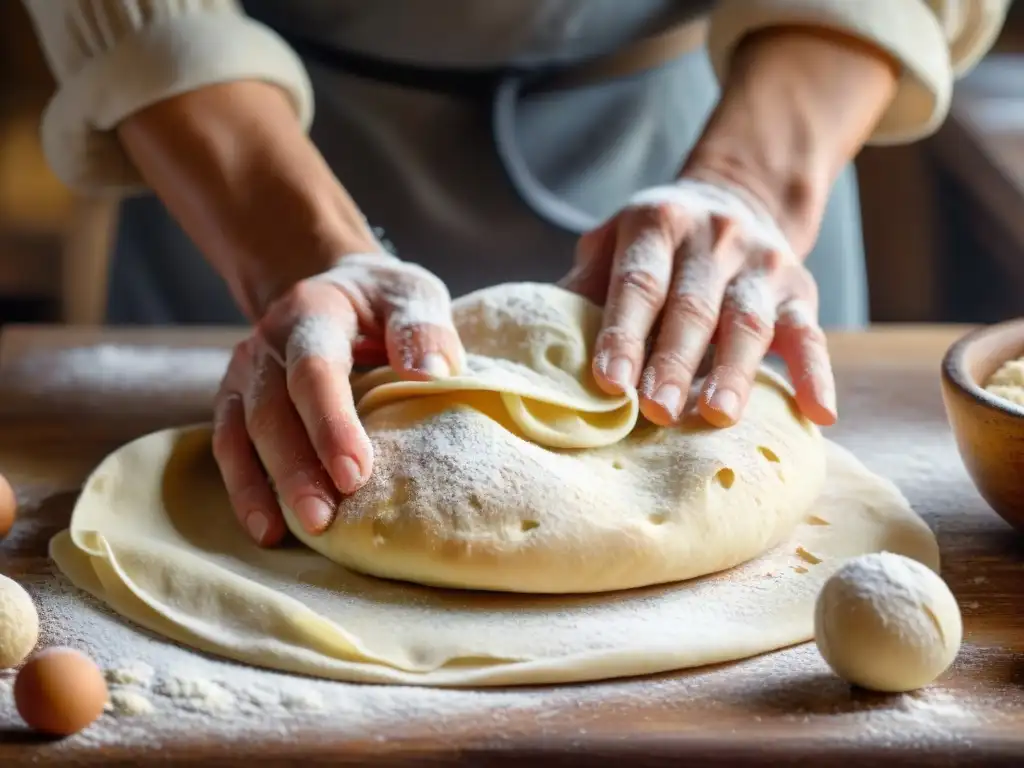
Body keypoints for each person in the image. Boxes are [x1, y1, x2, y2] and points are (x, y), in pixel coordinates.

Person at [23, 1, 1008, 548]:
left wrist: (749, 183)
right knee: (281, 475)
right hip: (241, 141)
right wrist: (296, 249)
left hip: (724, 136)